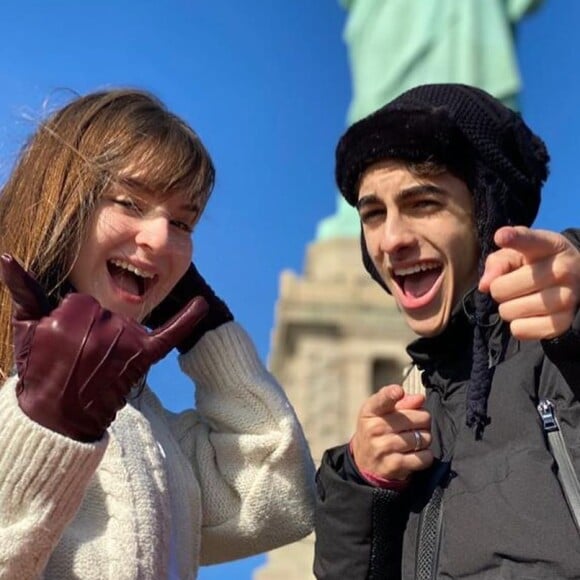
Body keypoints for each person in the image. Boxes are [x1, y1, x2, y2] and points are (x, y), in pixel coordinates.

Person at [0, 88, 315, 579]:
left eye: (182, 222)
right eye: (130, 201)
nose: (161, 239)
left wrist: (207, 326)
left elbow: (277, 495)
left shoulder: (149, 428)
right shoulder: (9, 387)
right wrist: (43, 424)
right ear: (61, 204)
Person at [313, 83, 580, 579]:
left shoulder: (564, 343)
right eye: (374, 214)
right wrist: (361, 490)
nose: (391, 239)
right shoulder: (413, 413)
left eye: (423, 203)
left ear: (487, 210)